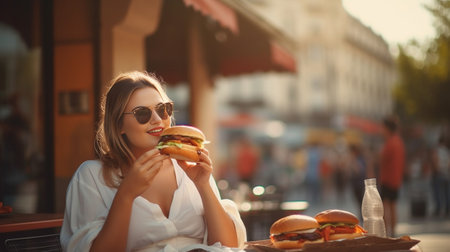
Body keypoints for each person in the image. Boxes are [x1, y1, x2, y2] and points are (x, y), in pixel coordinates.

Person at [60, 71, 246, 252]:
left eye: (163, 109)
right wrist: (126, 194)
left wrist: (203, 185)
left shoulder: (189, 168)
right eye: (142, 114)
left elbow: (227, 246)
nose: (158, 120)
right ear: (119, 125)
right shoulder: (92, 176)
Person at [379, 116, 405, 237]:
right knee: (393, 206)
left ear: (387, 128)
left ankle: (386, 232)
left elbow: (382, 158)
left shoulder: (390, 142)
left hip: (388, 179)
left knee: (384, 207)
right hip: (395, 178)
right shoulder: (398, 141)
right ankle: (392, 231)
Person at [431, 135, 449, 217]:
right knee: (446, 193)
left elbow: (435, 161)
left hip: (439, 174)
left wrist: (436, 170)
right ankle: (447, 208)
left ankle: (438, 208)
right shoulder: (447, 151)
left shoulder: (437, 151)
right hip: (446, 174)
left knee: (438, 192)